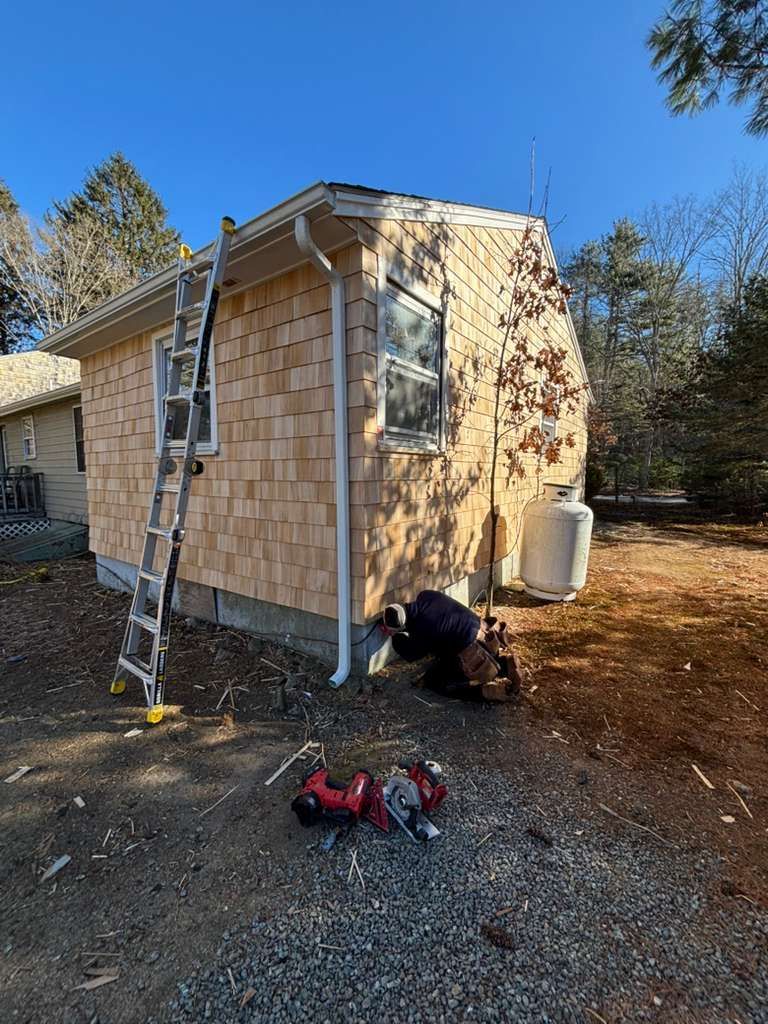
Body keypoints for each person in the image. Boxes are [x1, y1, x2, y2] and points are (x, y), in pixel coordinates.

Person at [381, 590, 522, 702]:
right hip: (486, 634)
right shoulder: (426, 595)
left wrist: (395, 637)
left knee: (436, 682)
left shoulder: (422, 632)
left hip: (472, 654)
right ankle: (505, 665)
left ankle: (489, 692)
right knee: (451, 652)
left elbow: (413, 654)